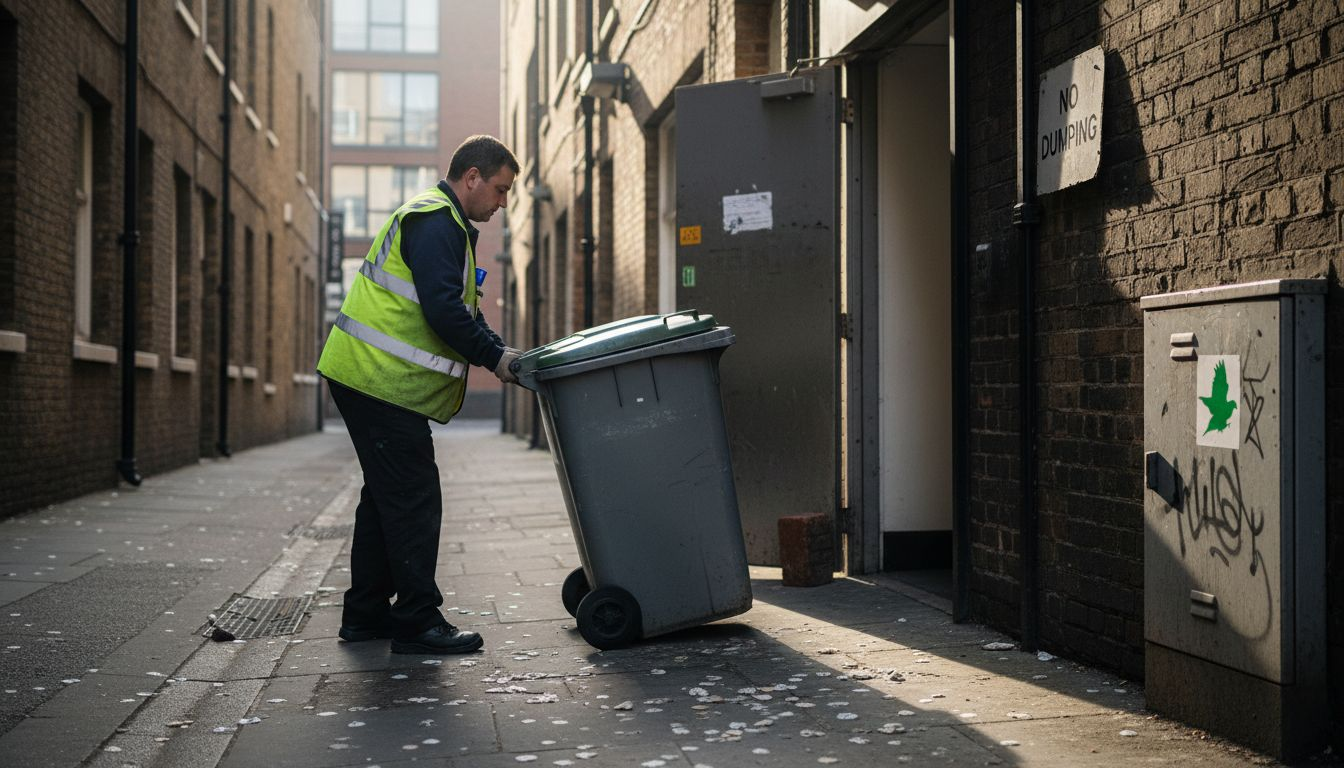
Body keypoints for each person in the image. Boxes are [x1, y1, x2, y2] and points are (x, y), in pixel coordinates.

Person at [316, 135, 521, 654]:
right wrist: (494, 359)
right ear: (471, 177)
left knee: (385, 498)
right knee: (413, 497)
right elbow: (442, 312)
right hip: (375, 379)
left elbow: (463, 312)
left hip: (369, 378)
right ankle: (417, 620)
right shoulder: (435, 220)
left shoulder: (445, 224)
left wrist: (501, 350)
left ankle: (364, 615)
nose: (501, 204)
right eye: (499, 190)